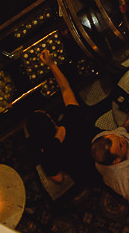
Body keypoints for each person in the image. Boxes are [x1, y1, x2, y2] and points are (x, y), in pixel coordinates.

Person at [26, 50, 101, 188]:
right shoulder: (73, 119)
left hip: (87, 179)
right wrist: (51, 64)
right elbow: (66, 89)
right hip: (103, 154)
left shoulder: (47, 157)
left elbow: (59, 179)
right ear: (52, 120)